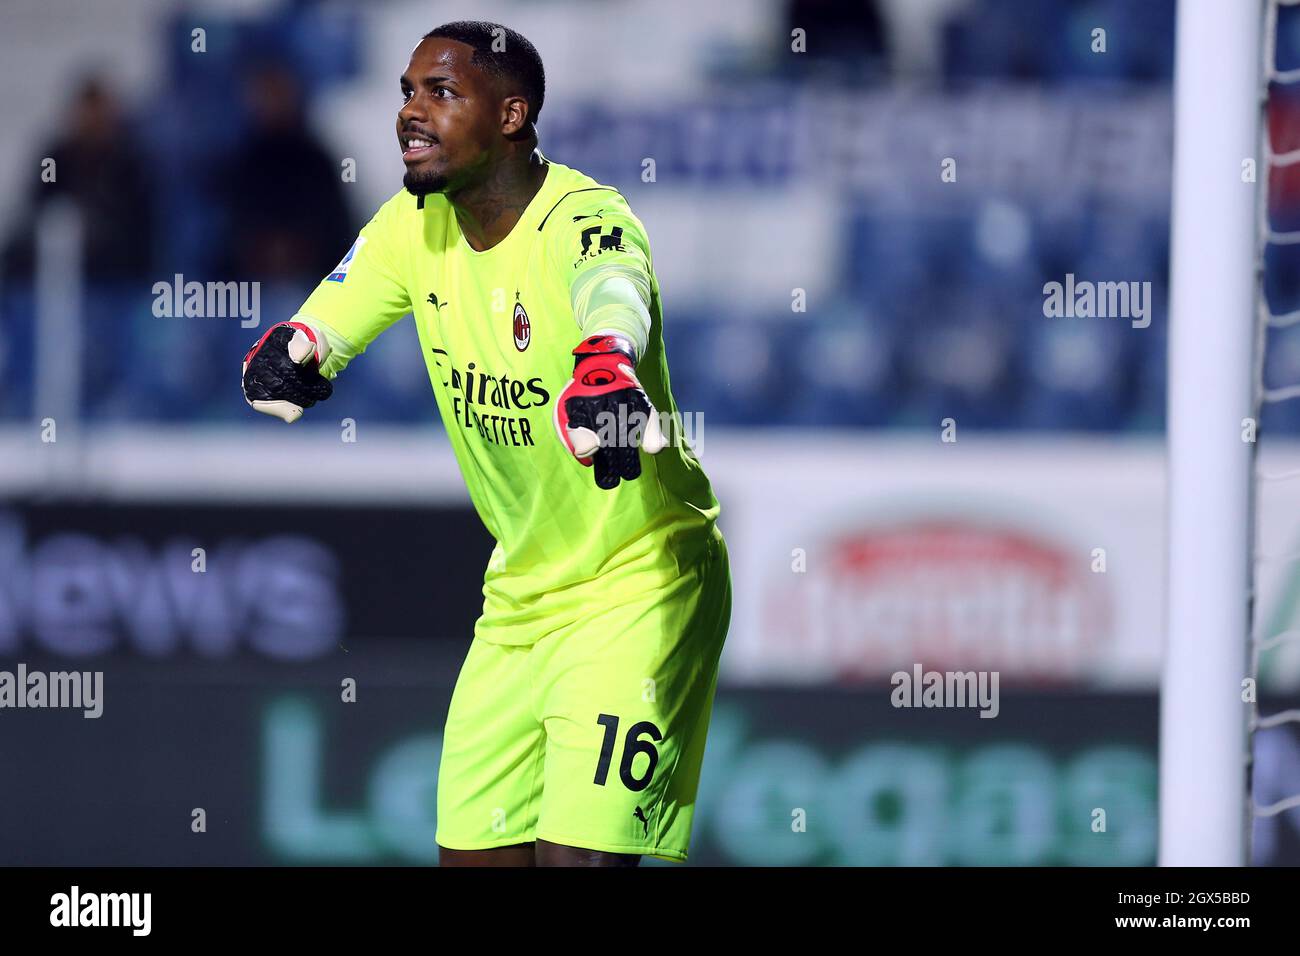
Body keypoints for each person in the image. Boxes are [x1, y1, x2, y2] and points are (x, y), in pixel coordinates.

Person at [240, 20, 731, 867]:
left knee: (576, 860)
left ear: (511, 116)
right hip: (519, 602)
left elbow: (614, 292)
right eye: (405, 92)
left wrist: (607, 362)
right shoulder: (410, 227)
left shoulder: (586, 219)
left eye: (441, 93)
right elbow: (323, 324)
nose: (410, 113)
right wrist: (295, 351)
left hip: (639, 585)